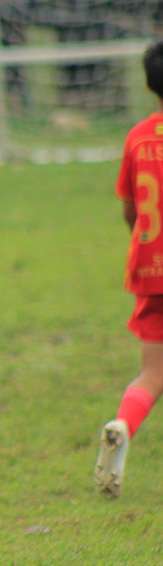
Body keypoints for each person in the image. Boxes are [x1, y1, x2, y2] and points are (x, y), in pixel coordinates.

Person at [95, 39, 163, 499]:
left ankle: (122, 424)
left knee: (153, 374)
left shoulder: (138, 136)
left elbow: (129, 208)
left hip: (150, 268)